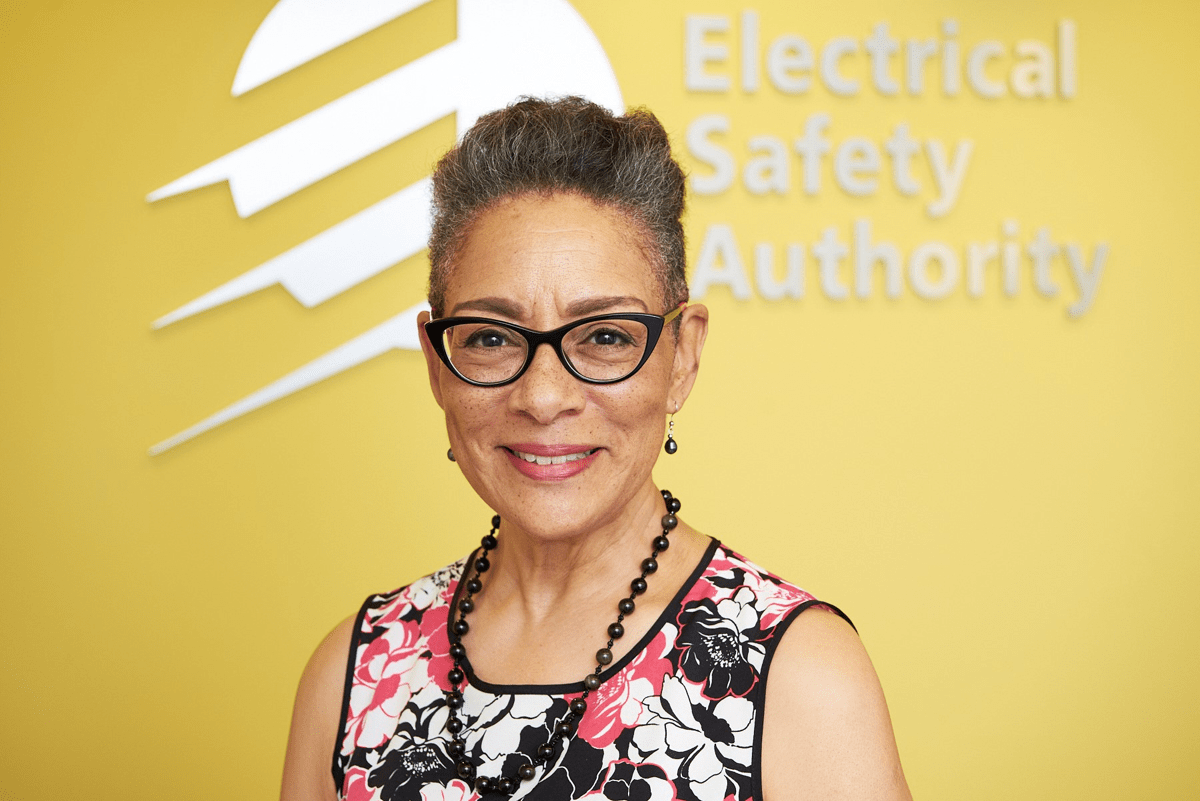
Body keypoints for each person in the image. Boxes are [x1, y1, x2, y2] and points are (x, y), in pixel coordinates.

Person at [280, 96, 911, 801]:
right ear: (436, 364)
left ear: (681, 357)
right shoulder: (353, 672)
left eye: (604, 336)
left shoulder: (800, 675)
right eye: (491, 338)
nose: (544, 396)